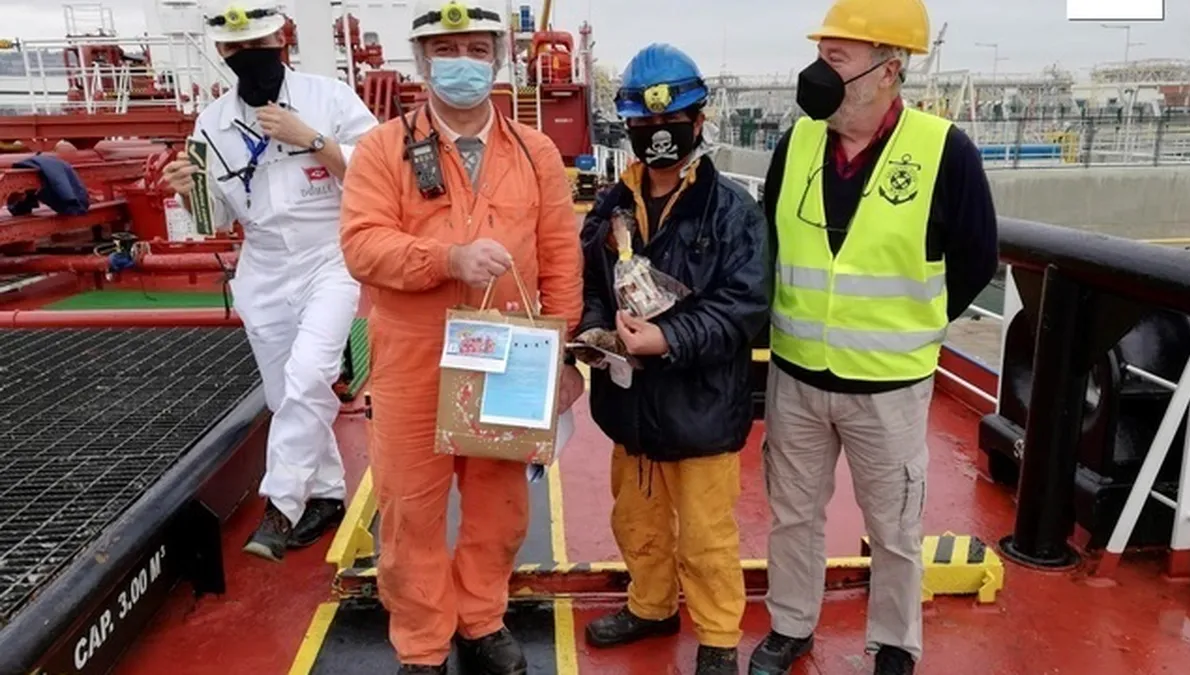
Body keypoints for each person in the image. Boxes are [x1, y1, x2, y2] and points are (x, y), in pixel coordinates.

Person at [749, 1, 1000, 674]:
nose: (817, 72)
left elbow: (977, 257)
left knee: (894, 526)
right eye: (819, 55)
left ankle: (894, 643)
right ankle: (791, 625)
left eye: (835, 59)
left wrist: (915, 325)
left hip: (889, 386)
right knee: (792, 514)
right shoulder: (797, 144)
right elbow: (769, 244)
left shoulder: (945, 151)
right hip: (798, 374)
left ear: (888, 70)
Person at [337, 1, 584, 673]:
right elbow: (362, 245)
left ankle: (481, 618)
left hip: (509, 358)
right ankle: (422, 642)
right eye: (447, 51)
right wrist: (447, 260)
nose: (463, 63)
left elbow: (560, 256)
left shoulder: (534, 152)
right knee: (409, 508)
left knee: (499, 504)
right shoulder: (381, 150)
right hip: (411, 357)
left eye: (477, 50)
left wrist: (563, 357)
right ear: (421, 63)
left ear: (498, 60)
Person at [574, 44, 770, 675]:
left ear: (699, 120)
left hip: (701, 408)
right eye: (645, 122)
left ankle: (718, 639)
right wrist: (596, 328)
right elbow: (592, 283)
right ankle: (650, 606)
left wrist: (668, 339)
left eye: (672, 120)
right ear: (628, 126)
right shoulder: (611, 206)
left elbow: (743, 307)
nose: (659, 132)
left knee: (708, 536)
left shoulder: (733, 211)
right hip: (630, 404)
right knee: (637, 520)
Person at [160, 0, 379, 562]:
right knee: (286, 393)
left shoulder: (330, 98)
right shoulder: (211, 124)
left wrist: (313, 140)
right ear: (221, 51)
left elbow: (382, 172)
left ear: (281, 40)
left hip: (330, 257)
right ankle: (325, 495)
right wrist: (189, 192)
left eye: (258, 45)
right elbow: (216, 219)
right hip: (263, 266)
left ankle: (280, 506)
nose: (248, 56)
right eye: (236, 49)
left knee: (311, 375)